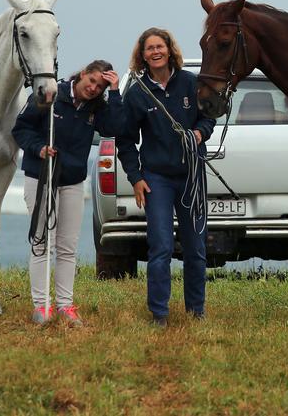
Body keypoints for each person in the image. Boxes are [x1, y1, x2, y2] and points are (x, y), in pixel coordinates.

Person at [116, 28, 216, 327]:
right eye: (149, 48)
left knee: (195, 248)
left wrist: (199, 133)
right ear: (142, 55)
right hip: (156, 178)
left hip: (192, 177)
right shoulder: (136, 93)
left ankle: (196, 310)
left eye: (160, 46)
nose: (155, 52)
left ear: (170, 50)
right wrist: (135, 177)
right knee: (159, 247)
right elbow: (125, 140)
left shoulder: (190, 82)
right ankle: (159, 313)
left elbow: (209, 116)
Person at [13, 59, 122, 326]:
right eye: (92, 81)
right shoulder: (51, 94)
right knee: (41, 242)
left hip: (73, 181)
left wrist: (116, 92)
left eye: (101, 86)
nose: (94, 88)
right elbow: (21, 128)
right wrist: (39, 148)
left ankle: (65, 306)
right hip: (41, 177)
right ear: (83, 74)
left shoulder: (98, 108)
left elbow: (117, 128)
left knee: (67, 246)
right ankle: (41, 306)